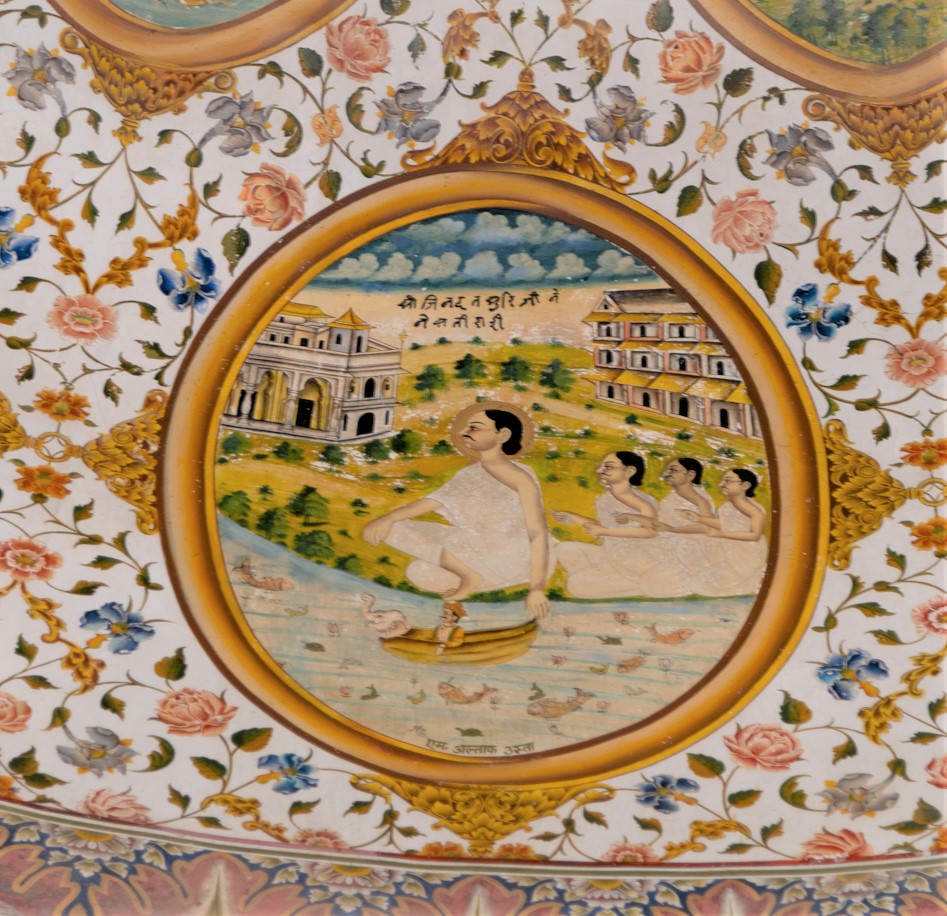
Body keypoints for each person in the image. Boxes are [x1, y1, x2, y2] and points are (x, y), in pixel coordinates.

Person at [362, 403, 551, 619]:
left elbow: (537, 533)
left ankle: (470, 577)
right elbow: (432, 502)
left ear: (503, 435)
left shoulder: (521, 478)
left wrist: (537, 588)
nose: (463, 432)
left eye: (474, 427)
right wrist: (388, 518)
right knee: (403, 545)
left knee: (421, 568)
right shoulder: (471, 473)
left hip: (507, 557)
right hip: (474, 546)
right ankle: (469, 575)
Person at [552, 451, 659, 599]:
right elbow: (603, 528)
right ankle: (603, 582)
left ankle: (642, 586)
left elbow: (651, 532)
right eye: (600, 466)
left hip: (637, 563)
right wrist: (573, 517)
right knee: (564, 549)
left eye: (608, 467)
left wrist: (605, 531)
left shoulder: (642, 502)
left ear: (629, 471)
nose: (599, 471)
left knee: (575, 586)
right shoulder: (604, 499)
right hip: (612, 555)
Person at [678, 468, 768, 596]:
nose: (721, 484)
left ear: (745, 485)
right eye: (722, 481)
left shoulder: (754, 510)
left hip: (748, 556)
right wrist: (698, 518)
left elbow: (755, 536)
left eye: (728, 481)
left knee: (707, 586)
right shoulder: (726, 507)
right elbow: (725, 524)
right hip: (731, 550)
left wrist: (720, 535)